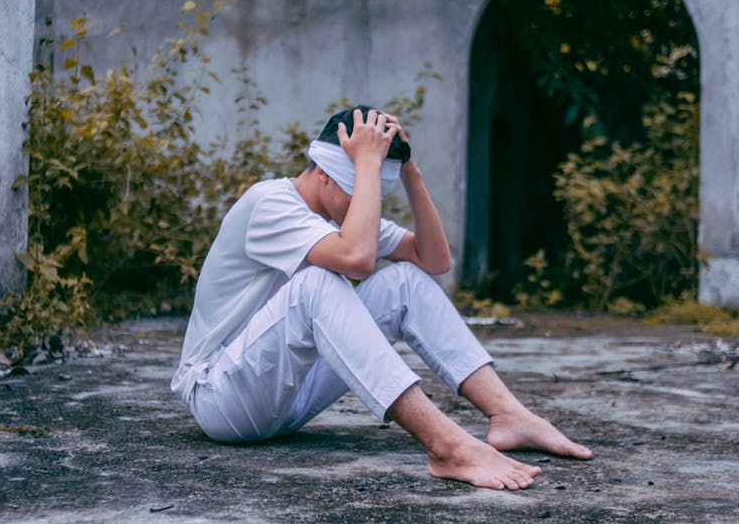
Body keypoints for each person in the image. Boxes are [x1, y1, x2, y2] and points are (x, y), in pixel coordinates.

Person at [172, 105, 591, 490]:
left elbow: (434, 260)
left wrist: (411, 173)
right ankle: (446, 446)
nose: (366, 204)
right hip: (221, 397)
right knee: (317, 284)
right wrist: (369, 164)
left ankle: (508, 414)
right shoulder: (269, 203)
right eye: (359, 188)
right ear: (323, 172)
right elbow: (357, 260)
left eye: (372, 191)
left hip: (287, 398)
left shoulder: (337, 218)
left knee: (404, 280)